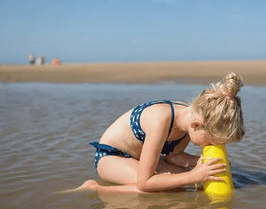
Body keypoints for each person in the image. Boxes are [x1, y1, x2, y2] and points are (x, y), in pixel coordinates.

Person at [78, 72, 245, 193]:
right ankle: (95, 188)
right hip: (112, 158)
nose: (210, 146)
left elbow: (173, 156)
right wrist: (193, 176)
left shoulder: (189, 120)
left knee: (199, 182)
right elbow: (145, 182)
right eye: (211, 141)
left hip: (144, 158)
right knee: (162, 187)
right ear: (196, 125)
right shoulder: (161, 120)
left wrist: (200, 163)